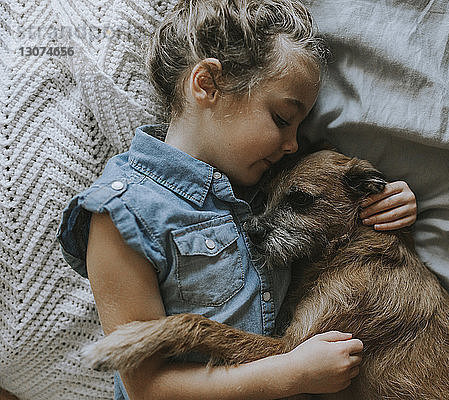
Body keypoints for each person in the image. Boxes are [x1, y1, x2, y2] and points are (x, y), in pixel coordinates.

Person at [57, 0, 418, 399]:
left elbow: (332, 206)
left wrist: (390, 201)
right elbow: (146, 389)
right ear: (207, 83)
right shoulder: (121, 213)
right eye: (282, 118)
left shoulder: (264, 180)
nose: (293, 143)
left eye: (299, 126)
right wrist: (290, 373)